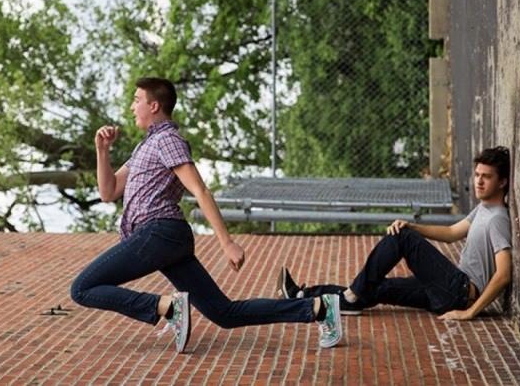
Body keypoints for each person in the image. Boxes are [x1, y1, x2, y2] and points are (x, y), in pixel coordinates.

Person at [70, 77, 342, 353]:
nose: (132, 107)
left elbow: (200, 189)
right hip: (166, 239)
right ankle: (318, 308)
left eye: (136, 100)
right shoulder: (145, 147)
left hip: (158, 232)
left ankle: (167, 307)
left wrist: (227, 242)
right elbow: (109, 191)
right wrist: (102, 151)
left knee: (82, 288)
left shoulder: (167, 140)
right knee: (224, 313)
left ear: (154, 106)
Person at [277, 146, 512, 320]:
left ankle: (352, 295)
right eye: (477, 175)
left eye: (486, 177)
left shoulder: (497, 219)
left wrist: (470, 313)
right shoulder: (482, 209)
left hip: (460, 292)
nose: (479, 181)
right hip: (446, 291)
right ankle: (303, 296)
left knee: (401, 237)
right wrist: (413, 226)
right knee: (377, 287)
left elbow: (503, 274)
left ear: (502, 182)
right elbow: (452, 232)